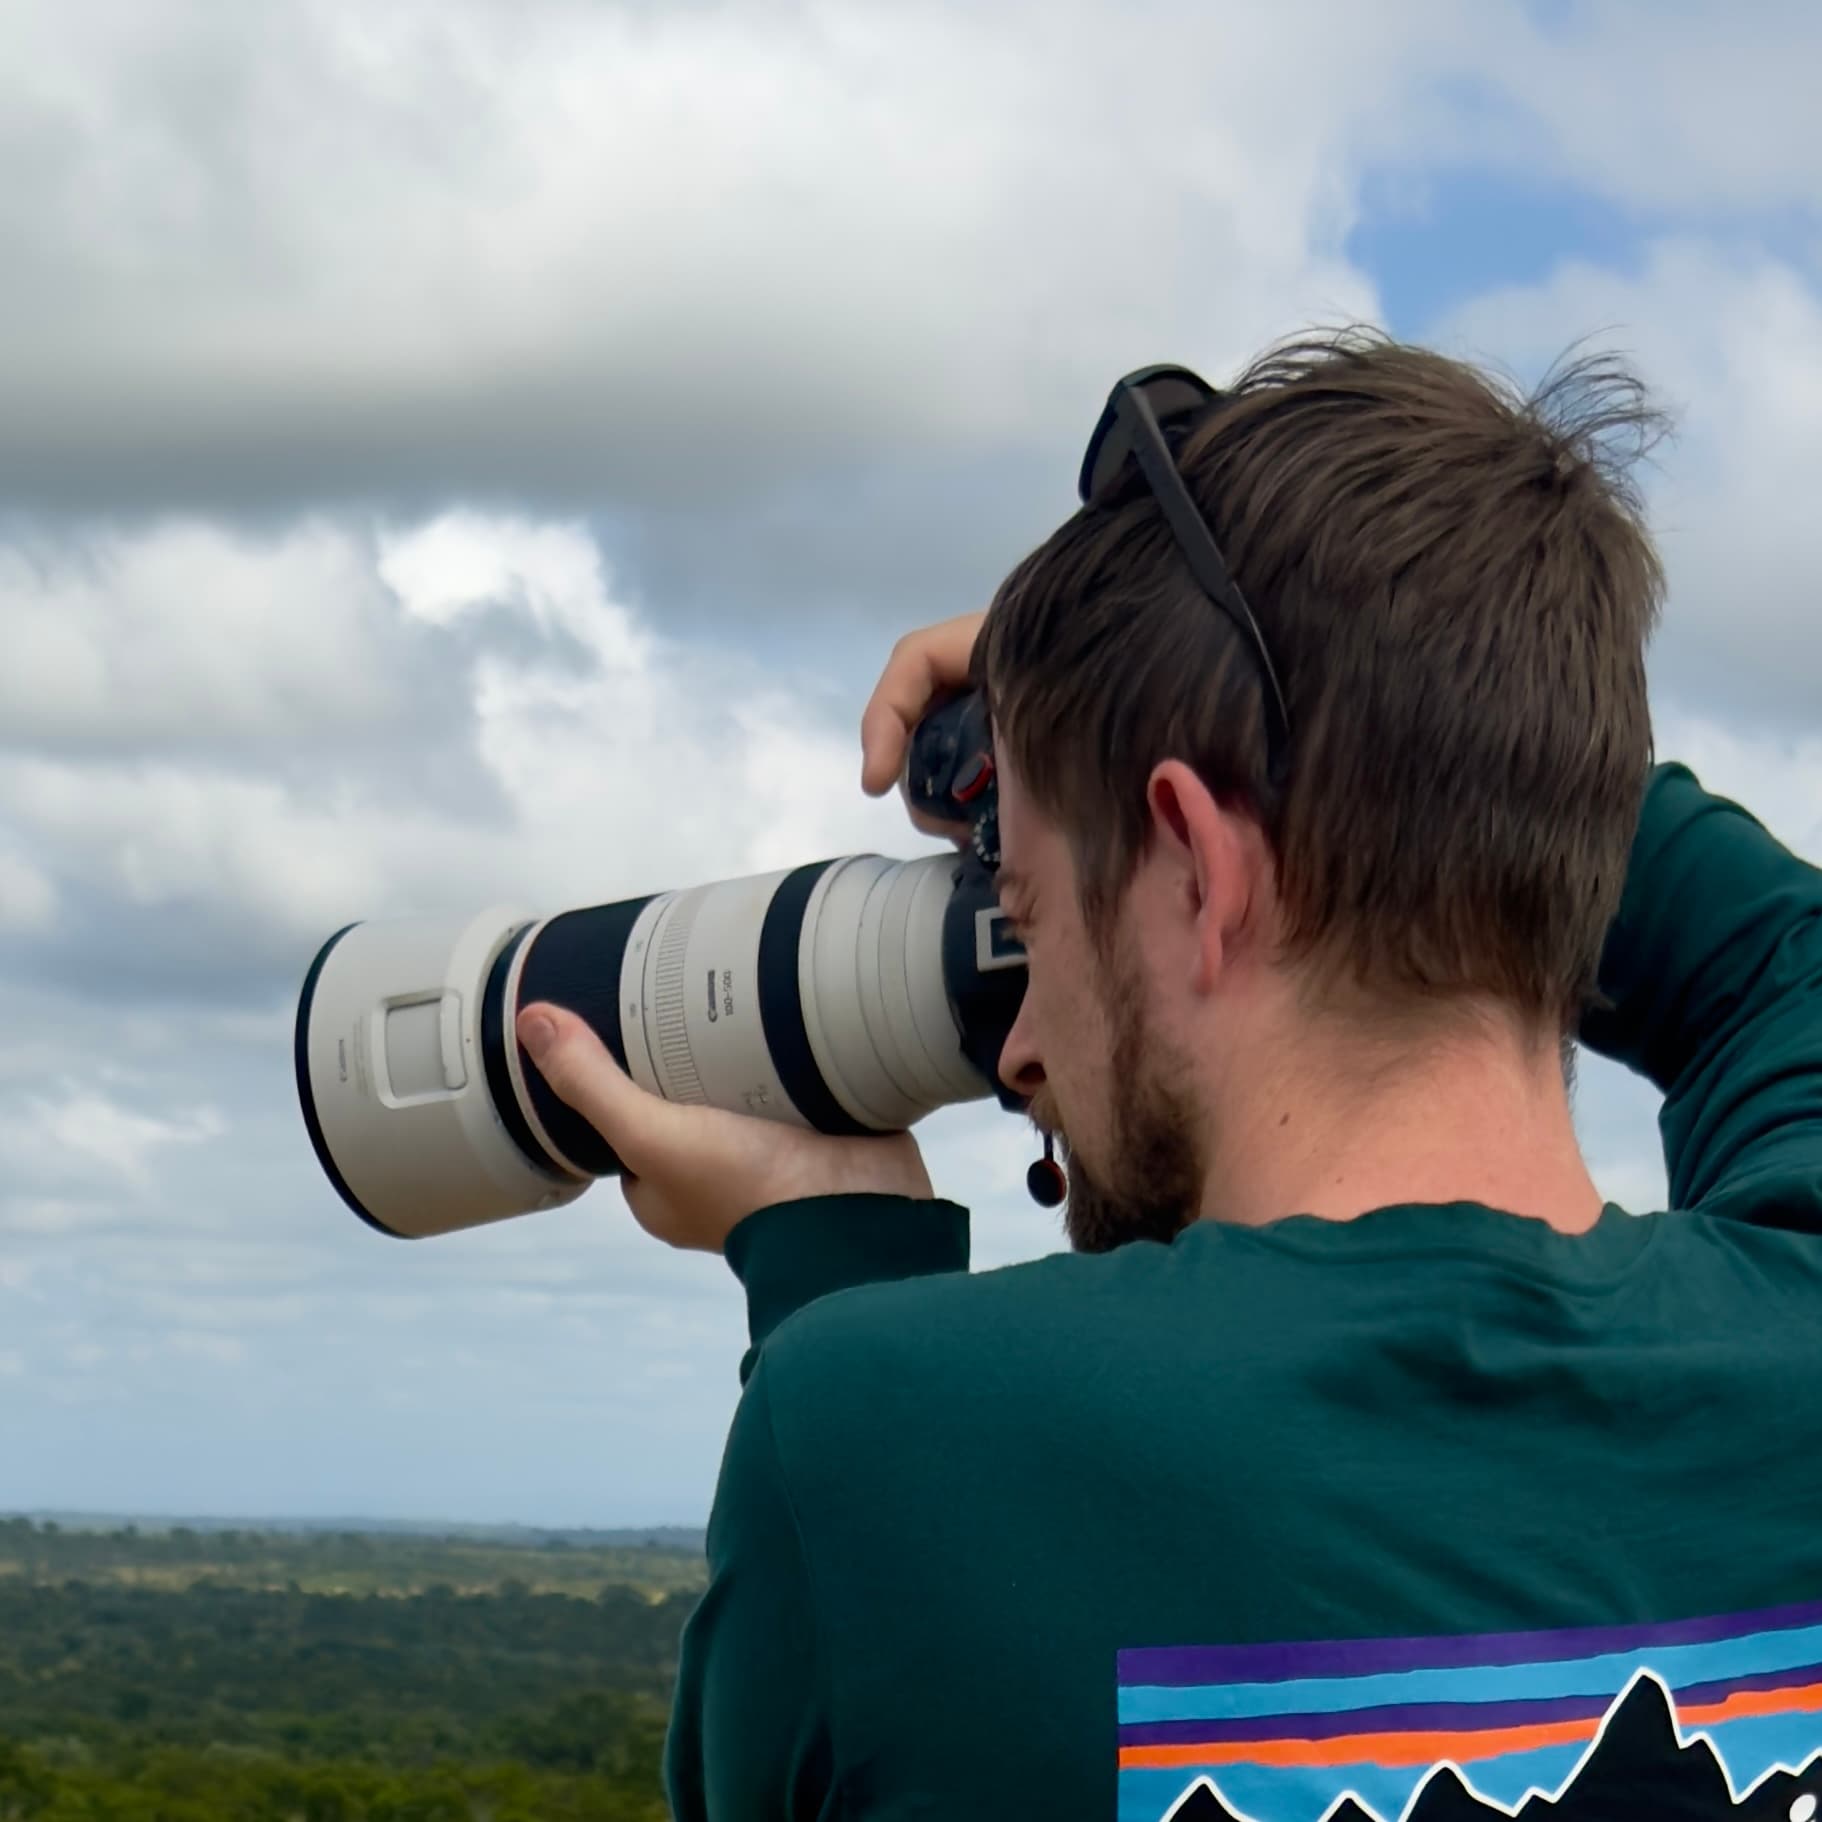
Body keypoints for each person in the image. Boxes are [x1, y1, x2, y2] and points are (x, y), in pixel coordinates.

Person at [515, 330, 1822, 1822]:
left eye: (1029, 911)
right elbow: (1772, 952)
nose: (1016, 1048)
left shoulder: (878, 1433)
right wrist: (1440, 729)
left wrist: (827, 1253)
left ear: (1198, 866)